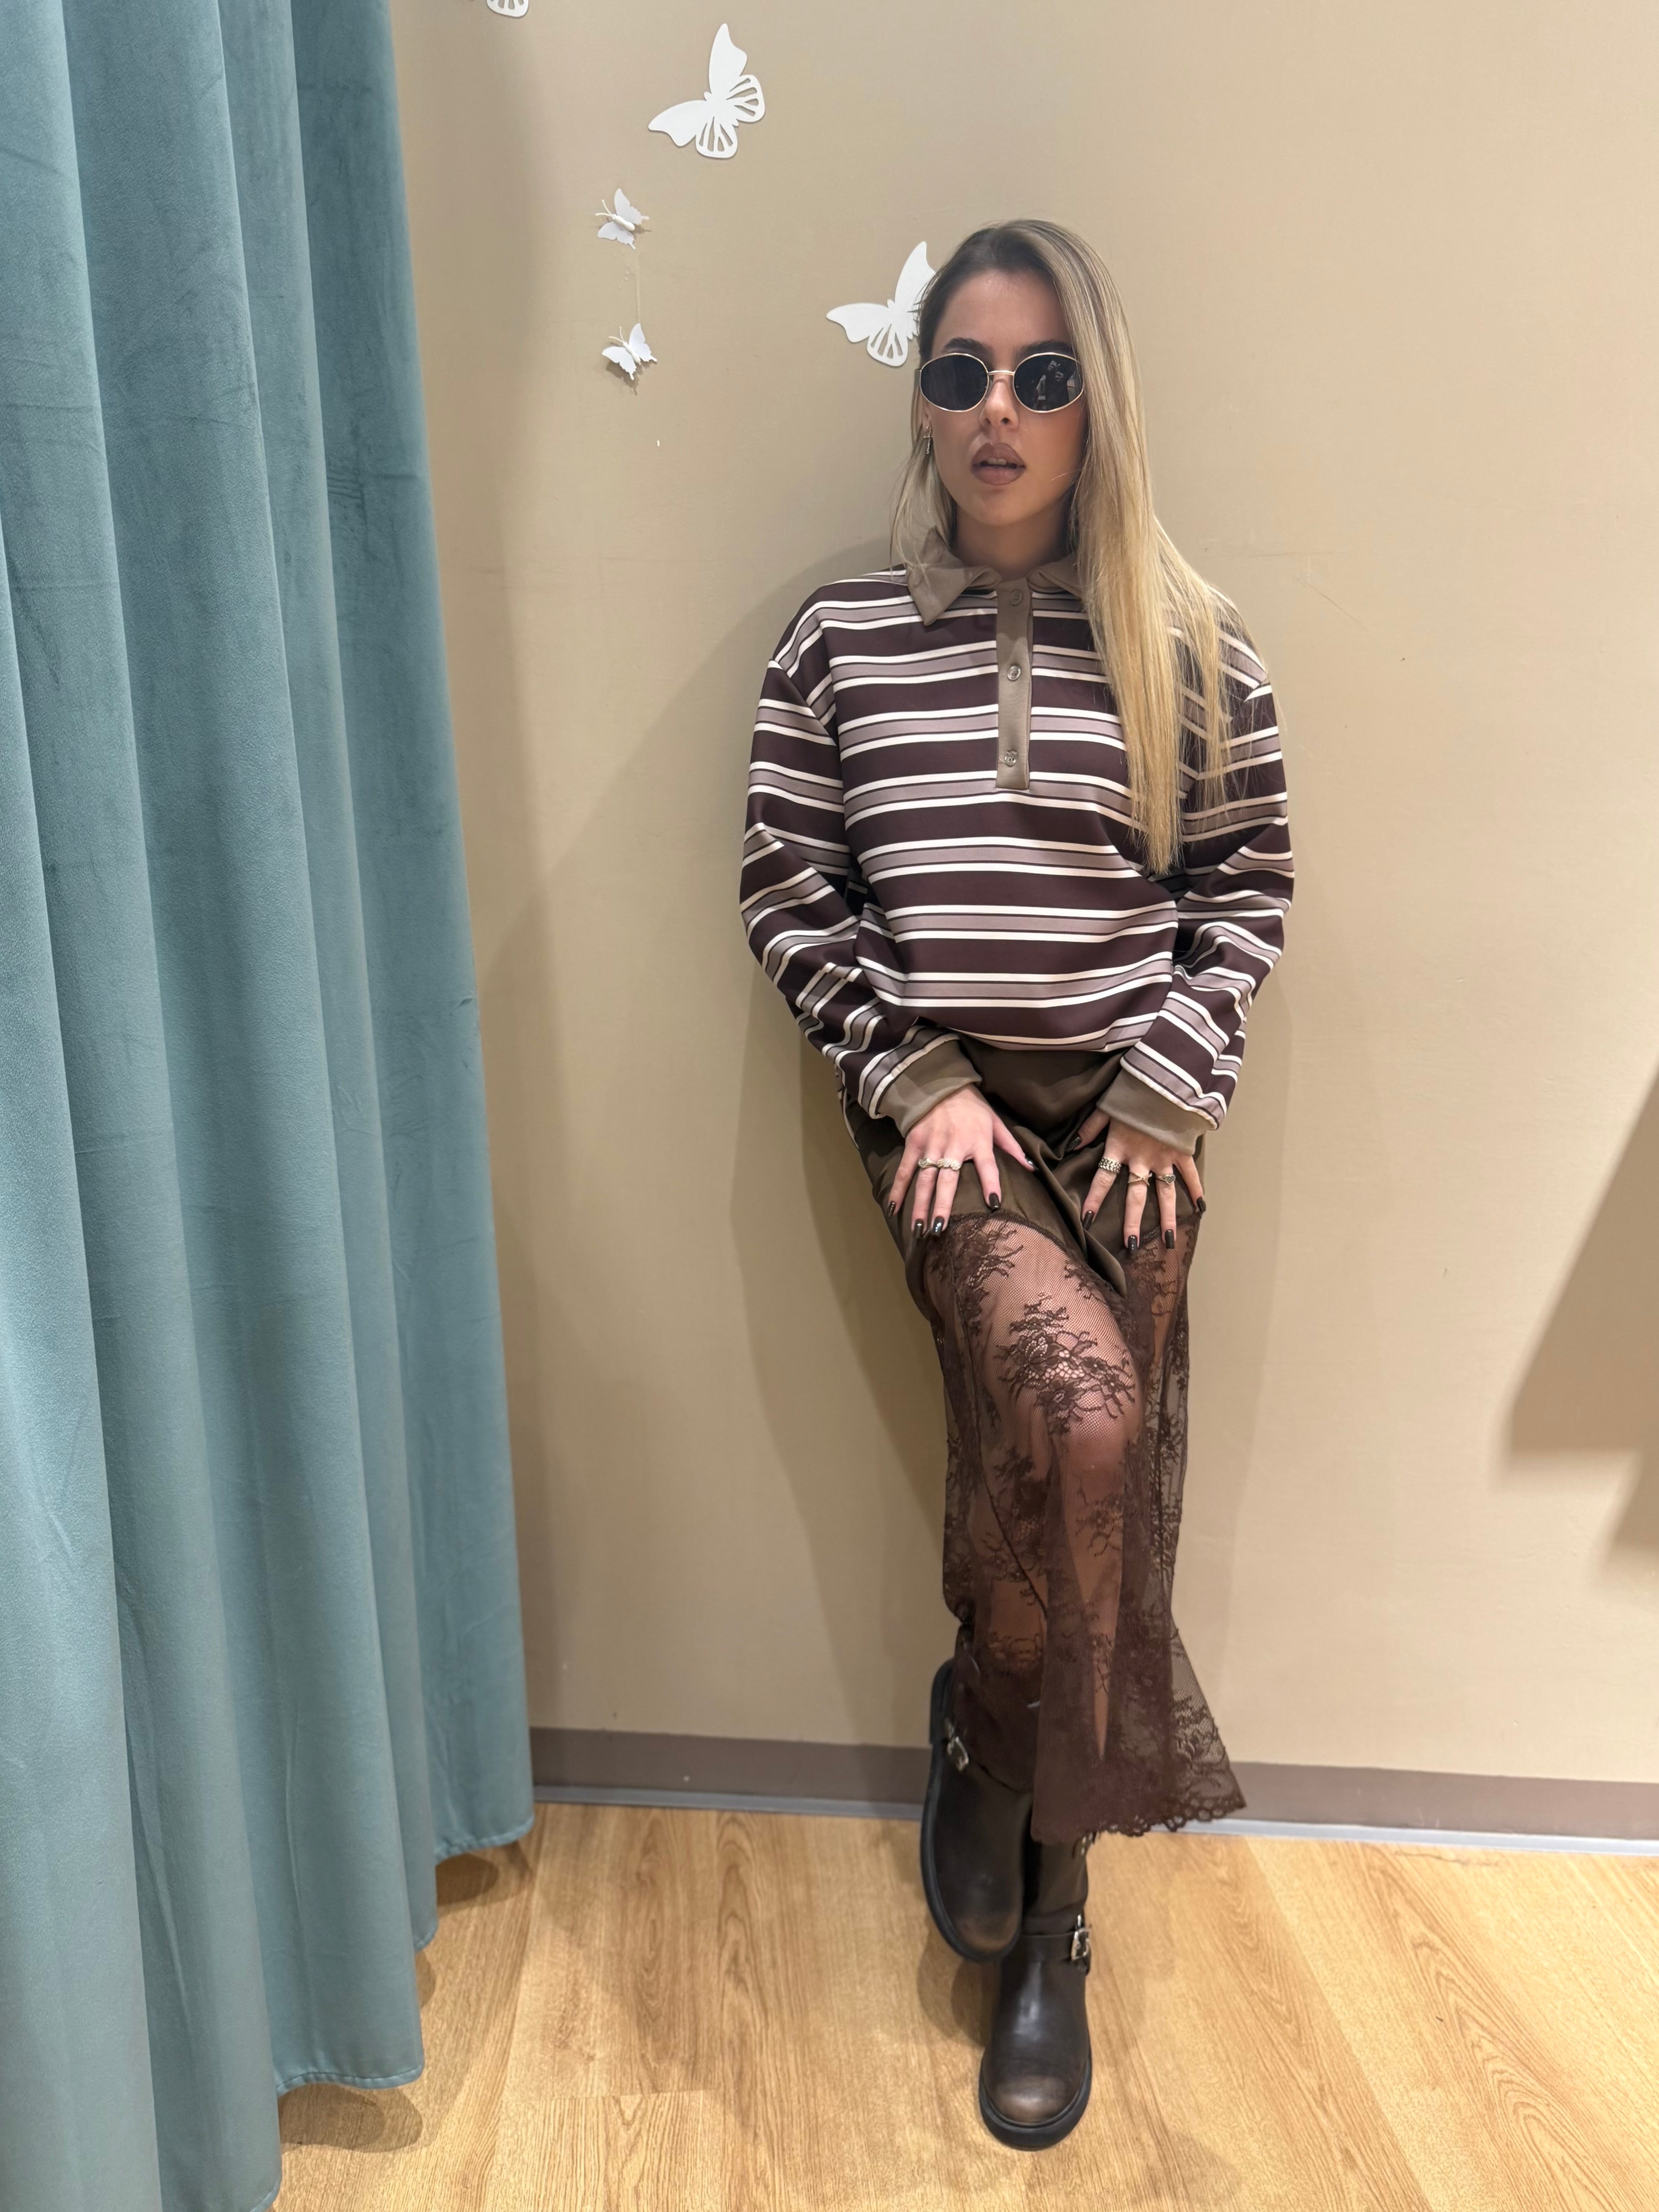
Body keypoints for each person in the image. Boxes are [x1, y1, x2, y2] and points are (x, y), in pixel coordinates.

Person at [739, 219, 1292, 2150]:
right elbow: (790, 890)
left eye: (1042, 377)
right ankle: (991, 1735)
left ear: (1093, 406)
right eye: (963, 372)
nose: (999, 411)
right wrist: (913, 1076)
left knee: (1083, 1502)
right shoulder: (836, 641)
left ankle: (1052, 1915)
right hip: (947, 1118)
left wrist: (1170, 1079)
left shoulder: (1190, 638)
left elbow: (1247, 889)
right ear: (921, 398)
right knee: (1082, 1424)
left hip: (1132, 1119)